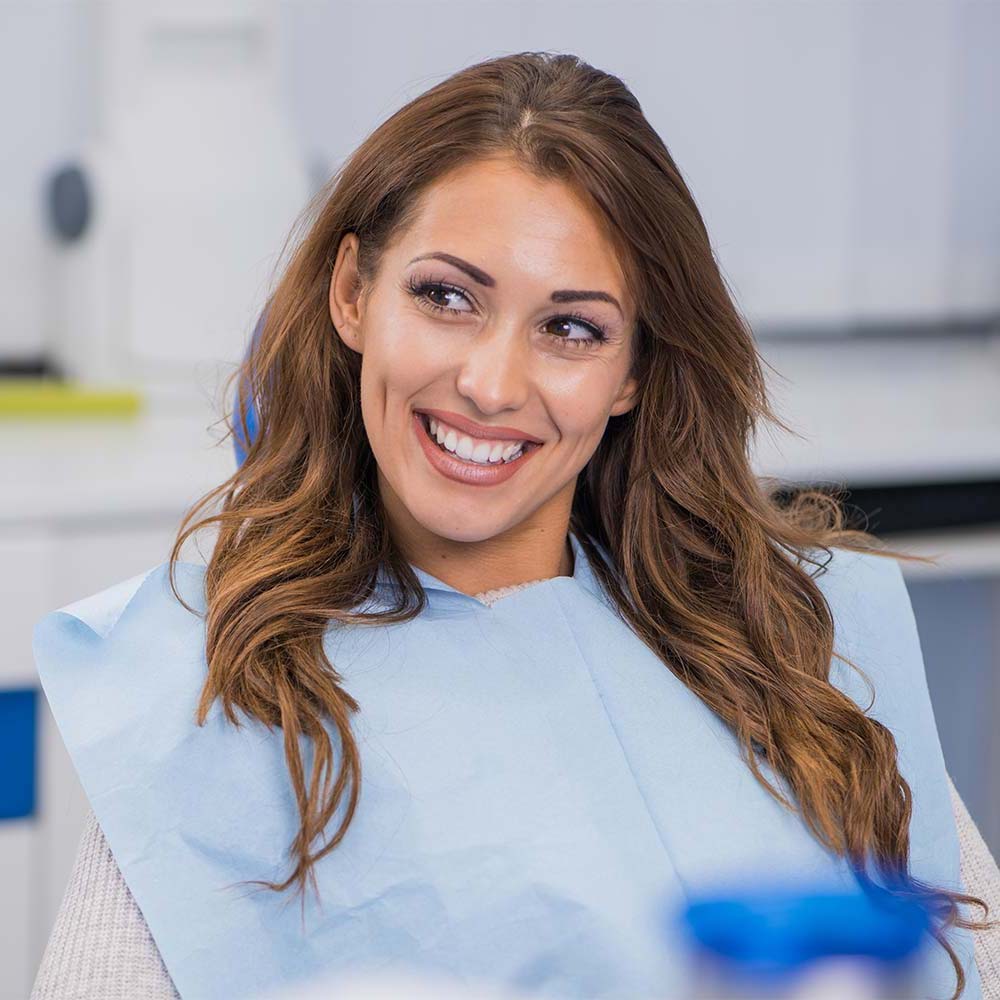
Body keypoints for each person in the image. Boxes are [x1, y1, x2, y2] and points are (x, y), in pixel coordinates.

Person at [31, 51, 996, 1000]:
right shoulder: (209, 686)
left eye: (570, 328)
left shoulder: (794, 642)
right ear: (353, 293)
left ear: (631, 372)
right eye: (447, 297)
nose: (491, 386)